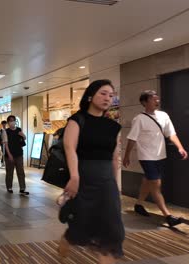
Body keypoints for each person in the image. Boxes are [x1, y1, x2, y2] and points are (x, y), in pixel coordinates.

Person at [59, 79, 124, 264]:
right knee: (82, 222)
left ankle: (107, 255)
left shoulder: (113, 127)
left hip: (106, 180)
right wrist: (74, 176)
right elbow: (69, 148)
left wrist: (116, 185)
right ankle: (68, 238)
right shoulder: (77, 120)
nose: (107, 98)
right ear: (90, 95)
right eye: (103, 93)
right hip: (83, 178)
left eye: (111, 95)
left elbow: (114, 158)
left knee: (112, 227)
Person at [123, 90, 188, 227]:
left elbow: (171, 133)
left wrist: (180, 147)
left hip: (160, 155)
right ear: (144, 102)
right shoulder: (139, 119)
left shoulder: (163, 115)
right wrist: (127, 155)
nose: (157, 101)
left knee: (148, 180)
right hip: (147, 157)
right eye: (153, 99)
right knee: (156, 184)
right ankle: (168, 216)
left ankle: (139, 204)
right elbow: (132, 139)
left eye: (157, 98)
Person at [3, 115, 29, 196]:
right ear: (8, 122)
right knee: (9, 172)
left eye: (13, 120)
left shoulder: (19, 130)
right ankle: (9, 187)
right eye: (10, 121)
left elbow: (24, 138)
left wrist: (23, 135)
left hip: (19, 154)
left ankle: (22, 188)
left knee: (21, 171)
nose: (12, 122)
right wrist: (9, 154)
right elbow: (6, 144)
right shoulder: (5, 131)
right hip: (9, 155)